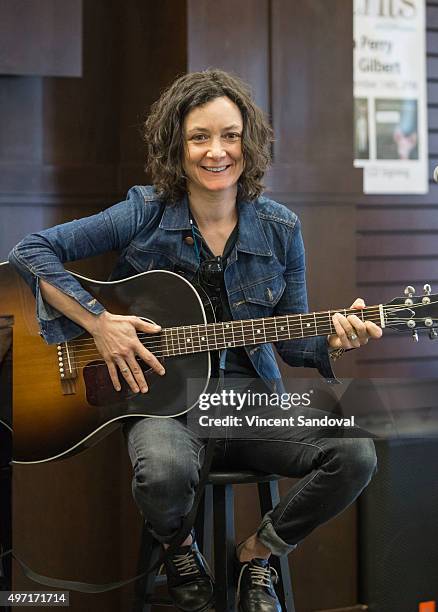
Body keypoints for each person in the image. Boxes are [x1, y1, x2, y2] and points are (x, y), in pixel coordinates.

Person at [9, 69, 382, 612]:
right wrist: (99, 322)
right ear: (176, 145)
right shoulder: (144, 211)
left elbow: (294, 341)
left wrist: (334, 342)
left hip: (249, 402)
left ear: (248, 143)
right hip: (163, 404)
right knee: (163, 472)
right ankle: (179, 546)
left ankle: (257, 556)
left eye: (230, 136)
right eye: (200, 137)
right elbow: (30, 250)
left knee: (356, 453)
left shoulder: (280, 228)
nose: (216, 152)